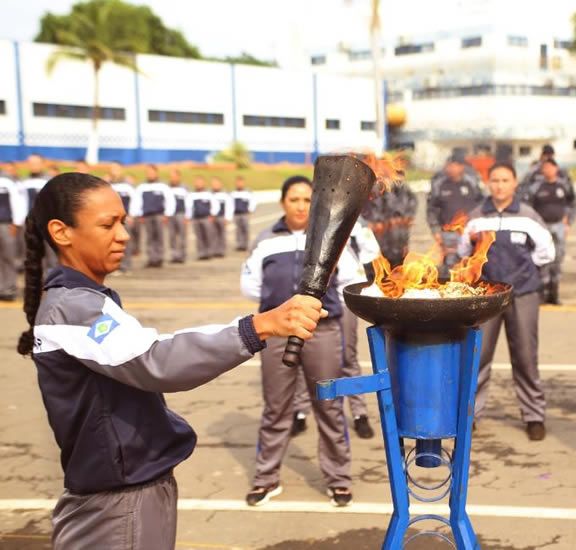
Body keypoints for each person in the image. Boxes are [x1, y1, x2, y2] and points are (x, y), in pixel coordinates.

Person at [18, 172, 325, 550]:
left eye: (123, 222)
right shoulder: (74, 306)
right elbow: (155, 360)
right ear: (61, 232)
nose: (124, 235)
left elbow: (146, 354)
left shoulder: (85, 298)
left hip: (128, 491)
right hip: (116, 504)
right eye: (107, 224)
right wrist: (258, 327)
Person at [241, 175, 355, 507]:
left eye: (307, 200)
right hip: (276, 334)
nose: (301, 206)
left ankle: (338, 479)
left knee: (329, 406)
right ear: (283, 203)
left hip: (321, 332)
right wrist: (277, 309)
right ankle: (266, 478)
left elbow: (349, 280)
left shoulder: (331, 238)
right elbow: (250, 284)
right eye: (294, 200)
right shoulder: (266, 240)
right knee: (277, 408)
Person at [459, 162, 555, 441]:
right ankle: (470, 415)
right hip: (487, 298)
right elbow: (465, 252)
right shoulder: (477, 217)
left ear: (515, 184)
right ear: (488, 184)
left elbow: (545, 253)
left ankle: (534, 416)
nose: (499, 185)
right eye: (495, 180)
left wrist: (523, 274)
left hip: (523, 295)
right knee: (479, 357)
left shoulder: (528, 217)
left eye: (505, 180)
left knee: (525, 357)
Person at [290, 219, 381, 439]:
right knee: (304, 354)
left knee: (348, 357)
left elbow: (372, 253)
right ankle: (301, 410)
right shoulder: (310, 221)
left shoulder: (357, 223)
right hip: (313, 300)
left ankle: (359, 413)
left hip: (343, 300)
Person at [520, 158, 576, 305]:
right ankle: (542, 293)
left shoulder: (563, 186)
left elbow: (573, 202)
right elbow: (527, 206)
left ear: (556, 169)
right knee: (542, 259)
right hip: (542, 227)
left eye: (550, 167)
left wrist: (568, 221)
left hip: (559, 226)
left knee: (557, 260)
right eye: (544, 168)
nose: (547, 170)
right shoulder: (536, 187)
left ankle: (554, 293)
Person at [427, 157, 484, 275]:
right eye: (448, 166)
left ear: (461, 167)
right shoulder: (440, 185)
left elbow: (482, 204)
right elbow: (431, 210)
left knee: (471, 265)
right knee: (450, 267)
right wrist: (436, 231)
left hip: (470, 232)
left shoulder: (471, 183)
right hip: (449, 234)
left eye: (453, 165)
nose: (450, 169)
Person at [363, 179, 418, 268]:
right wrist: (371, 223)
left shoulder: (400, 187)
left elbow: (411, 202)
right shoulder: (372, 188)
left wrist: (406, 217)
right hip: (377, 238)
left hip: (397, 239)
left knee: (397, 267)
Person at [136, 164, 175, 268]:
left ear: (156, 173)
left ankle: (159, 258)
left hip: (159, 215)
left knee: (159, 237)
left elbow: (170, 200)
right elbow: (138, 202)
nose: (150, 174)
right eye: (148, 172)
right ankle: (151, 258)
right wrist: (140, 214)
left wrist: (167, 214)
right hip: (147, 215)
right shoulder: (142, 187)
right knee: (149, 238)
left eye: (152, 172)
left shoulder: (163, 186)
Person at [108, 162, 141, 274]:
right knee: (110, 244)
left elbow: (135, 200)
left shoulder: (127, 186)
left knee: (125, 243)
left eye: (116, 169)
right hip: (110, 219)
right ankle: (114, 266)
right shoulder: (105, 185)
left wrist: (131, 215)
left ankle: (125, 266)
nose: (114, 171)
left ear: (121, 170)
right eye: (112, 169)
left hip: (124, 219)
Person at [0, 172, 25, 300]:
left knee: (8, 257)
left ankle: (9, 288)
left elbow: (17, 202)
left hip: (6, 224)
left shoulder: (7, 182)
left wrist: (16, 223)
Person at [186, 176, 219, 260]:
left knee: (208, 236)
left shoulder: (208, 194)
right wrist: (188, 217)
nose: (198, 184)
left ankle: (209, 252)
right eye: (197, 182)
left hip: (206, 218)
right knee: (199, 237)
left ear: (204, 183)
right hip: (196, 218)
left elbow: (215, 205)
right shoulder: (192, 195)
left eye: (200, 182)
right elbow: (188, 207)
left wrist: (212, 215)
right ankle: (201, 253)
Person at [167, 168, 189, 264]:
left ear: (179, 177)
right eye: (171, 176)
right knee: (172, 236)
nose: (173, 178)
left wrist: (187, 216)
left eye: (175, 176)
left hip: (181, 214)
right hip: (171, 215)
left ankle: (182, 255)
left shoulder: (184, 188)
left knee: (182, 236)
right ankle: (174, 255)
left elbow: (189, 203)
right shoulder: (167, 188)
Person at [230, 175, 257, 251]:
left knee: (245, 229)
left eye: (240, 183)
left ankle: (246, 244)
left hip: (245, 213)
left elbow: (253, 201)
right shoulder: (233, 193)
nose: (239, 184)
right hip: (236, 214)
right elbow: (230, 204)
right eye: (238, 183)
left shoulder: (248, 192)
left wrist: (250, 210)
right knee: (238, 230)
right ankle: (239, 244)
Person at [211, 177, 233, 258]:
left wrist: (227, 218)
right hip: (212, 218)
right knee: (213, 235)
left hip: (222, 217)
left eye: (216, 184)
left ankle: (221, 251)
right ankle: (214, 250)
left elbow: (229, 207)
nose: (215, 186)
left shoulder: (225, 195)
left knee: (222, 235)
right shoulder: (209, 194)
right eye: (213, 184)